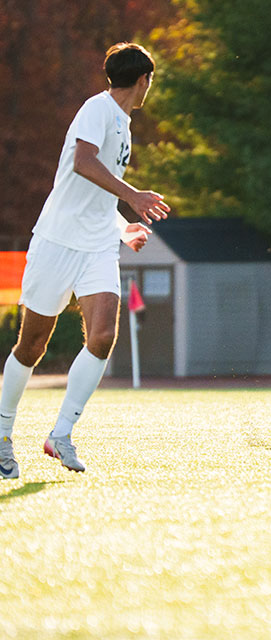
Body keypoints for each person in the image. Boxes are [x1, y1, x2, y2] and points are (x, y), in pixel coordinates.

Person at [0, 43, 169, 479]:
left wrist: (122, 228)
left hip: (97, 246)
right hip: (57, 242)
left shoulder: (124, 124)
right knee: (32, 345)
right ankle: (2, 435)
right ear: (144, 80)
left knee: (103, 335)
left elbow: (96, 195)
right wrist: (133, 197)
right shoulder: (98, 108)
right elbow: (82, 162)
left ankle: (61, 434)